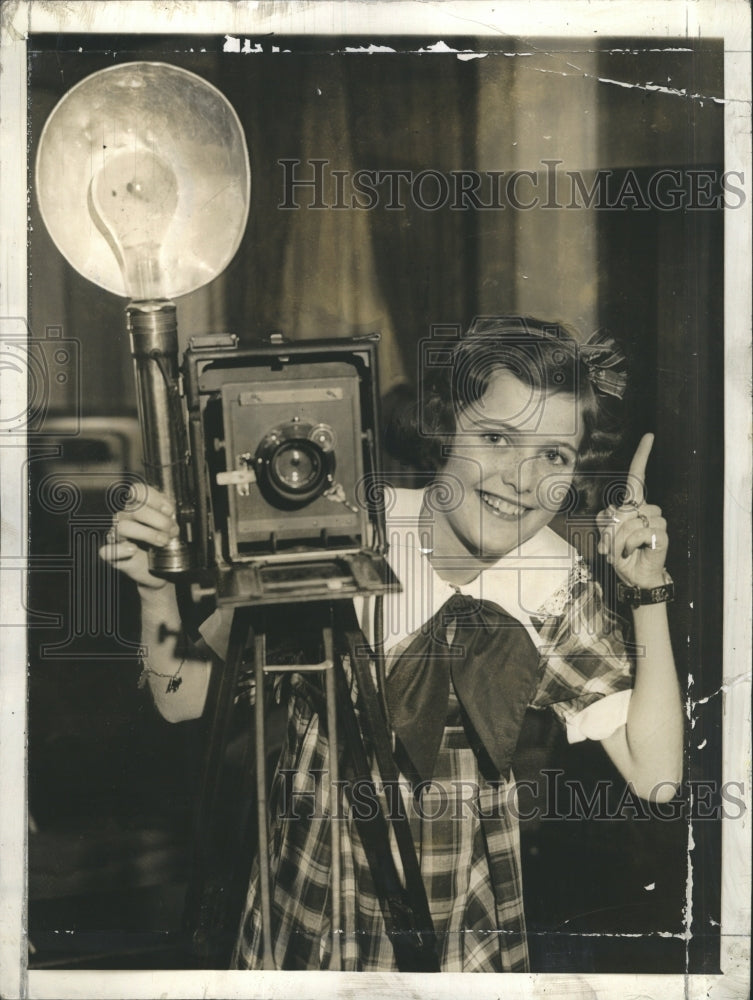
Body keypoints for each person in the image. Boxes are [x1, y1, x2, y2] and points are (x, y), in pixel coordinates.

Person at [100, 315, 684, 972]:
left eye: (553, 454)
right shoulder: (341, 534)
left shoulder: (551, 582)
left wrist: (647, 590)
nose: (521, 479)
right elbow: (181, 702)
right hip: (315, 901)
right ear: (442, 429)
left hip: (460, 928)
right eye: (495, 436)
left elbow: (658, 778)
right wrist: (155, 594)